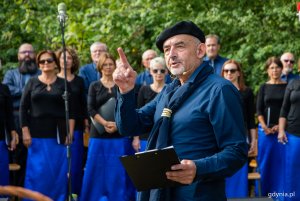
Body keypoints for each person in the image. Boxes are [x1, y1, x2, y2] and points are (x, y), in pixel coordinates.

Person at [113, 20, 248, 201]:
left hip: (198, 194)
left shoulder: (219, 90)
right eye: (167, 49)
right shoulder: (169, 91)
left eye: (179, 46)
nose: (171, 55)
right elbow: (130, 126)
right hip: (159, 192)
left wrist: (198, 169)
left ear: (200, 51)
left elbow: (237, 151)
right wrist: (126, 91)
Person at [20, 50, 75, 201]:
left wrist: (70, 132)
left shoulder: (63, 84)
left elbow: (72, 111)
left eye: (49, 60)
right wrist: (25, 131)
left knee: (57, 172)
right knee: (37, 172)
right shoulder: (32, 82)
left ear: (55, 63)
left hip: (58, 135)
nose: (45, 63)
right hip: (36, 135)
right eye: (42, 61)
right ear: (38, 64)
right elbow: (23, 108)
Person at [80, 52, 136, 201]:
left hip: (120, 134)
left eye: (111, 64)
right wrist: (105, 123)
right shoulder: (94, 85)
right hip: (99, 134)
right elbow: (90, 109)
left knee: (118, 170)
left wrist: (118, 124)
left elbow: (129, 106)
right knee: (96, 168)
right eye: (105, 64)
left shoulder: (121, 85)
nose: (108, 67)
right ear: (100, 66)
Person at [2, 43, 40, 187]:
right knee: (16, 156)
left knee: (35, 155)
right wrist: (30, 90)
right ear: (18, 56)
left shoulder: (40, 73)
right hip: (16, 120)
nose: (27, 55)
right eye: (23, 52)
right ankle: (15, 190)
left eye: (30, 52)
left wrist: (24, 91)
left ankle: (33, 189)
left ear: (34, 55)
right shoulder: (10, 74)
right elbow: (7, 92)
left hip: (36, 120)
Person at [221, 60, 256, 198]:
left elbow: (250, 119)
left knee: (239, 171)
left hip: (241, 137)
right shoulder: (217, 91)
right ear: (222, 73)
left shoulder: (246, 92)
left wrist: (254, 141)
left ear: (239, 73)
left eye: (232, 70)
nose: (229, 73)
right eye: (226, 70)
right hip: (221, 137)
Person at [56, 47, 88, 198]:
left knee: (75, 165)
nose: (66, 60)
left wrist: (86, 122)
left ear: (73, 61)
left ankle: (74, 195)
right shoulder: (53, 80)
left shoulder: (80, 81)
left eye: (69, 58)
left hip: (77, 128)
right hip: (57, 129)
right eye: (63, 57)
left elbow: (83, 104)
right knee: (59, 164)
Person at [256, 56, 287, 197]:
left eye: (277, 67)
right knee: (265, 163)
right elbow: (259, 110)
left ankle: (282, 194)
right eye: (272, 68)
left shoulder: (287, 86)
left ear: (282, 69)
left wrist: (280, 127)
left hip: (283, 132)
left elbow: (288, 109)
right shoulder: (263, 87)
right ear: (268, 71)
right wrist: (265, 127)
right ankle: (264, 194)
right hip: (266, 132)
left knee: (281, 164)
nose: (275, 70)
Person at [132, 57, 167, 152]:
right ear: (150, 72)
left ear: (166, 72)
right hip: (145, 136)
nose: (159, 73)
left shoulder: (171, 90)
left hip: (165, 136)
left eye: (162, 70)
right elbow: (137, 115)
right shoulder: (143, 90)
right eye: (155, 70)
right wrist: (136, 138)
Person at [278, 79, 300, 201]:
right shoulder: (293, 83)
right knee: (291, 172)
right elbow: (284, 108)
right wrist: (281, 130)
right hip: (293, 134)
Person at [0, 83, 18, 188]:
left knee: (1, 171)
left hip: (1, 139)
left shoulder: (4, 88)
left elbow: (9, 114)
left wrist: (13, 134)